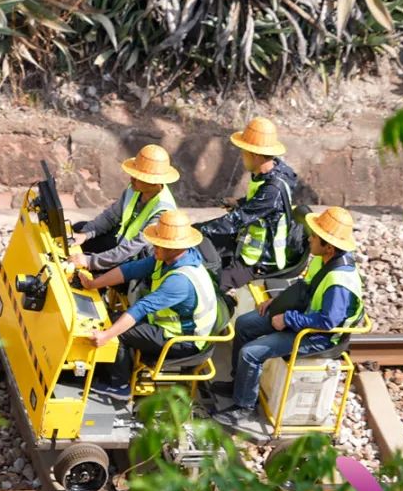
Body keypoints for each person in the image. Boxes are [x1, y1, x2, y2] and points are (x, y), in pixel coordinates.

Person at [211, 207, 365, 425]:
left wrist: (287, 319)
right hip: (303, 317)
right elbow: (305, 287)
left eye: (315, 237)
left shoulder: (339, 282)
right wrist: (277, 302)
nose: (309, 239)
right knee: (244, 324)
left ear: (329, 247)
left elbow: (328, 322)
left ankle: (244, 406)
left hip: (318, 335)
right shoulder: (323, 260)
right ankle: (239, 384)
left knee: (250, 353)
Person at [76, 210, 221, 401]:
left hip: (183, 340)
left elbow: (141, 308)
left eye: (159, 244)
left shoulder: (180, 281)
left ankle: (119, 385)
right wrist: (93, 283)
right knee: (114, 320)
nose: (154, 246)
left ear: (174, 248)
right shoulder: (172, 258)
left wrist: (106, 335)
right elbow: (130, 270)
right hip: (169, 326)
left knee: (115, 329)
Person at [193, 117, 299, 291]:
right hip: (246, 241)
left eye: (244, 152)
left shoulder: (272, 189)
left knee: (211, 286)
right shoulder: (274, 171)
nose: (241, 156)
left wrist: (199, 231)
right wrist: (240, 202)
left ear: (255, 155)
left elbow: (236, 220)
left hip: (260, 259)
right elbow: (261, 205)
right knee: (201, 238)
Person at [70, 144, 178, 272]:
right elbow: (110, 217)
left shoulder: (163, 212)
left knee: (88, 269)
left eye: (138, 177)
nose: (131, 179)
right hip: (120, 243)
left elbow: (131, 250)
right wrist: (85, 234)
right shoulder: (134, 189)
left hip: (137, 260)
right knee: (80, 228)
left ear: (154, 182)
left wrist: (90, 261)